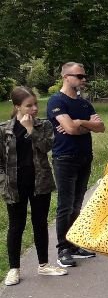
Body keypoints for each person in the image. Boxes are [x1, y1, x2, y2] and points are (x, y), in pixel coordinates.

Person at [3, 87, 66, 286]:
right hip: (14, 184)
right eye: (28, 106)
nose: (34, 109)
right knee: (16, 225)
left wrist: (30, 130)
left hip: (40, 182)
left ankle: (44, 264)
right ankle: (14, 269)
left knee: (40, 223)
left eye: (35, 104)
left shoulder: (44, 125)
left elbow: (47, 147)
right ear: (17, 107)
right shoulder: (5, 129)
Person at [47, 62, 105, 268]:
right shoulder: (56, 101)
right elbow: (69, 129)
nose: (83, 80)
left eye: (84, 76)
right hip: (64, 159)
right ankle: (63, 248)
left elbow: (101, 127)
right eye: (79, 76)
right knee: (65, 205)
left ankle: (74, 244)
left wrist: (80, 123)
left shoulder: (84, 103)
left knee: (78, 203)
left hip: (84, 157)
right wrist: (82, 125)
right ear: (66, 77)